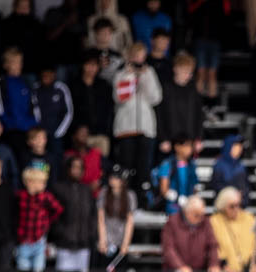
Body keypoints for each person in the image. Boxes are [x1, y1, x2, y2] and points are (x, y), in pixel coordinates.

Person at [112, 41, 161, 200]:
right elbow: (120, 98)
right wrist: (130, 75)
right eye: (136, 57)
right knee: (127, 166)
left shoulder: (150, 72)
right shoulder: (121, 73)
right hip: (126, 127)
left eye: (142, 57)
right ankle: (125, 200)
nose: (139, 60)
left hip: (146, 127)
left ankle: (142, 200)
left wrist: (145, 76)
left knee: (144, 166)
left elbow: (155, 98)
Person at [0, 47, 38, 166]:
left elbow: (33, 106)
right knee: (12, 162)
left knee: (27, 163)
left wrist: (32, 125)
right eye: (14, 62)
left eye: (20, 62)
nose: (18, 65)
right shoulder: (1, 81)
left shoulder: (26, 81)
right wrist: (8, 124)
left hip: (27, 130)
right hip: (10, 131)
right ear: (6, 64)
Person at [49, 155, 94, 271]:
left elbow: (92, 214)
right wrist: (60, 233)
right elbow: (53, 215)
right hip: (64, 244)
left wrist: (90, 234)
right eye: (74, 167)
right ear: (68, 169)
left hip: (83, 244)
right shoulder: (58, 188)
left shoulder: (87, 190)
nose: (77, 171)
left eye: (80, 168)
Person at [16, 164, 64, 272]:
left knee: (39, 271)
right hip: (24, 240)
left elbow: (58, 209)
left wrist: (47, 221)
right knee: (22, 270)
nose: (43, 185)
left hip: (39, 241)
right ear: (29, 182)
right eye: (40, 182)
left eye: (43, 182)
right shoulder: (21, 196)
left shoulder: (45, 197)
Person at [155, 52, 202, 158]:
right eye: (185, 71)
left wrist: (198, 138)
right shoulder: (166, 88)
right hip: (169, 140)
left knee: (186, 172)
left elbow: (198, 115)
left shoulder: (192, 90)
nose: (188, 75)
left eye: (190, 72)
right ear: (176, 69)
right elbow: (160, 115)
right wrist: (163, 138)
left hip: (188, 140)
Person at [161, 196, 220, 272]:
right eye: (196, 215)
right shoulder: (172, 222)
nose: (200, 218)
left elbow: (212, 246)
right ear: (186, 212)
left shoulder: (205, 222)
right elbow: (168, 249)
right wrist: (180, 266)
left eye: (202, 215)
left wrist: (214, 264)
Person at [209, 186, 256, 272]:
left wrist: (255, 262)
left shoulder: (250, 218)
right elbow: (212, 247)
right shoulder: (214, 221)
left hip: (249, 270)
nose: (236, 209)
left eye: (238, 205)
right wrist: (222, 265)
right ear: (223, 206)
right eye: (232, 206)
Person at [70, 53, 114, 156]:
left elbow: (108, 109)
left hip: (101, 134)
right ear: (83, 65)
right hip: (80, 135)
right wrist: (76, 130)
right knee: (81, 167)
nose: (91, 68)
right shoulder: (74, 85)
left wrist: (106, 130)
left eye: (94, 65)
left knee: (100, 167)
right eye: (88, 64)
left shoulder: (104, 85)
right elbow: (71, 110)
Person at [94, 163, 134, 269]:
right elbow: (101, 219)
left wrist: (126, 243)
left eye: (116, 177)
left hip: (121, 241)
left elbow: (130, 221)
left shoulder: (130, 195)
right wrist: (102, 240)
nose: (113, 179)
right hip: (107, 241)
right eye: (112, 176)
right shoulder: (104, 193)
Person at [153, 135, 197, 216]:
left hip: (188, 207)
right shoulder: (167, 164)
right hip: (172, 207)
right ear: (177, 147)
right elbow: (164, 189)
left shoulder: (191, 165)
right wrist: (177, 199)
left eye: (191, 146)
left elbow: (194, 186)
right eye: (186, 145)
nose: (190, 149)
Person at [210, 135, 250, 201]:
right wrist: (232, 195)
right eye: (236, 146)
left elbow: (246, 187)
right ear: (228, 146)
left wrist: (243, 197)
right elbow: (217, 186)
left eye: (240, 146)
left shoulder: (241, 166)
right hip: (224, 206)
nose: (239, 149)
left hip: (240, 206)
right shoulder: (219, 165)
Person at [64, 125, 103, 191]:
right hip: (74, 192)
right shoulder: (68, 155)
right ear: (74, 136)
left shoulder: (96, 154)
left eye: (86, 133)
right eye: (81, 133)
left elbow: (107, 171)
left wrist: (100, 181)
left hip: (94, 193)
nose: (84, 135)